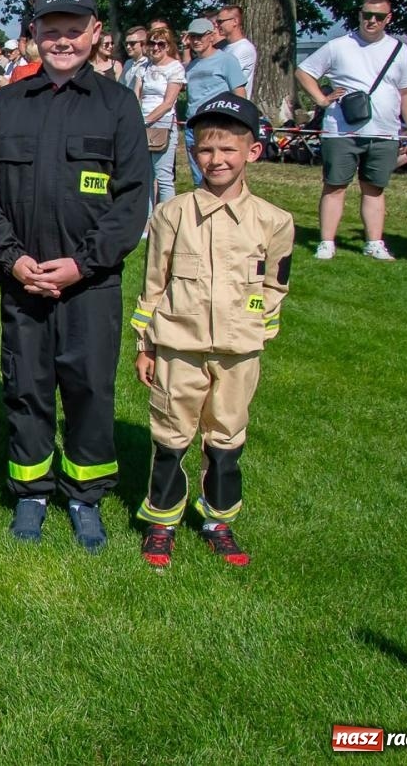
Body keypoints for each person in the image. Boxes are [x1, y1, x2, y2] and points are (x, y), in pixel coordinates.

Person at [0, 0, 150, 552]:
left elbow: (131, 202)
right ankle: (31, 492)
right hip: (22, 278)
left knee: (89, 388)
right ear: (34, 35)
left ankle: (84, 494)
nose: (62, 40)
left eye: (74, 29)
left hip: (90, 285)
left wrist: (81, 264)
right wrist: (13, 258)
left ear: (96, 32)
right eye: (50, 29)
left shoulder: (117, 105)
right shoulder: (5, 105)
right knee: (26, 387)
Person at [131, 94, 293, 567]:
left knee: (225, 440)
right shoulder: (170, 215)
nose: (216, 160)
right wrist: (146, 346)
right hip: (178, 349)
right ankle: (161, 522)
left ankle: (218, 520)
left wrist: (252, 324)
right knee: (170, 436)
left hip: (238, 352)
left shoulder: (274, 221)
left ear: (252, 152)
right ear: (192, 151)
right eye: (205, 150)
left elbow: (274, 285)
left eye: (228, 150)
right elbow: (153, 287)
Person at [296, 0, 407, 261]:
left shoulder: (399, 50)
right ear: (360, 15)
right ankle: (327, 241)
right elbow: (304, 71)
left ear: (388, 19)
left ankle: (374, 242)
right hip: (341, 130)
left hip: (384, 131)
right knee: (335, 185)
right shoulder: (338, 46)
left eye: (378, 17)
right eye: (367, 15)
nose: (371, 21)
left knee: (374, 188)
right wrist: (320, 99)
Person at [182, 17, 247, 186]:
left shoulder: (227, 60)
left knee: (219, 173)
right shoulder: (191, 66)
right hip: (193, 126)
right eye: (192, 37)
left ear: (211, 36)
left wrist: (238, 123)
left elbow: (239, 93)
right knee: (199, 176)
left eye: (200, 36)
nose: (196, 41)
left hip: (217, 124)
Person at [136, 27, 187, 213]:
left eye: (161, 44)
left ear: (168, 46)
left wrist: (146, 120)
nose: (156, 47)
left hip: (163, 125)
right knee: (145, 176)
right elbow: (136, 95)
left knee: (163, 176)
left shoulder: (175, 68)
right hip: (141, 123)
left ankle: (167, 218)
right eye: (152, 43)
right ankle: (146, 220)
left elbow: (168, 103)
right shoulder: (144, 67)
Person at [214, 5, 258, 97]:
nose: (217, 25)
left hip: (234, 105)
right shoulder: (225, 47)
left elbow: (222, 76)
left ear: (235, 21)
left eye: (220, 21)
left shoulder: (244, 48)